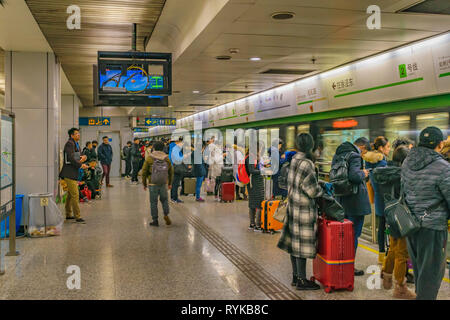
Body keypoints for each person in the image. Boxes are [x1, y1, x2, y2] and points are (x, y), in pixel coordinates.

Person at [401, 126, 449, 300]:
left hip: (411, 225)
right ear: (440, 144)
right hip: (433, 227)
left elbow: (403, 191)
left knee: (421, 269)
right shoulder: (443, 167)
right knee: (432, 274)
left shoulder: (407, 161)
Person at [277, 133, 323, 290]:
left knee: (294, 243)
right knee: (302, 244)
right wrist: (322, 191)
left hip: (293, 205)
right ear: (310, 145)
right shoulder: (306, 163)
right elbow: (312, 190)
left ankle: (296, 277)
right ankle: (302, 280)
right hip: (303, 208)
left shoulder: (295, 159)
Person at [373, 145, 415, 299]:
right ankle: (400, 287)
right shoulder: (402, 175)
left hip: (390, 214)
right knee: (402, 252)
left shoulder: (386, 172)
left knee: (393, 247)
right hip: (402, 215)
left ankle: (386, 274)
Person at [332, 137, 371, 276]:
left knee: (342, 235)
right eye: (364, 151)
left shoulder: (338, 155)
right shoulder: (355, 155)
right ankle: (349, 265)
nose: (363, 155)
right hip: (355, 201)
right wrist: (364, 173)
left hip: (341, 199)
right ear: (361, 147)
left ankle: (339, 262)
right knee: (353, 234)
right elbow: (354, 176)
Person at [363, 136, 391, 265]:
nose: (389, 150)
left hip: (378, 199)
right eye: (388, 147)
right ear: (381, 148)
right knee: (389, 228)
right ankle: (388, 254)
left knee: (381, 227)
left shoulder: (369, 163)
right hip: (387, 199)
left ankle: (381, 254)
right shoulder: (383, 164)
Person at [59, 128, 88, 223]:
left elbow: (79, 154)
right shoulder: (69, 144)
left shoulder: (75, 144)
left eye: (79, 133)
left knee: (70, 195)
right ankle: (78, 216)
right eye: (76, 134)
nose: (78, 135)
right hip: (69, 173)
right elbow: (70, 158)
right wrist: (80, 164)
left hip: (73, 173)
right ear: (72, 135)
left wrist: (84, 157)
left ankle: (68, 214)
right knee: (75, 194)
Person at [142, 141, 174, 227]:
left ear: (154, 148)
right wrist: (170, 183)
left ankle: (155, 220)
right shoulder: (166, 158)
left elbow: (144, 172)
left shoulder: (149, 158)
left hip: (153, 183)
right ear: (163, 148)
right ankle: (166, 214)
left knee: (153, 202)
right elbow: (171, 171)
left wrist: (144, 184)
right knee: (164, 200)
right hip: (163, 183)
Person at [245, 141, 265, 232]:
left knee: (253, 204)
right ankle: (257, 225)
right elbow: (252, 170)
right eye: (260, 148)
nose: (261, 150)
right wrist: (262, 171)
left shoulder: (254, 157)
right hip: (254, 183)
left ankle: (252, 224)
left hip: (255, 182)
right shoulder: (250, 158)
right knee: (258, 203)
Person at [204, 136, 224, 202]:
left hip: (218, 168)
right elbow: (216, 160)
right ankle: (217, 196)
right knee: (218, 183)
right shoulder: (214, 150)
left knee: (218, 183)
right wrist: (222, 156)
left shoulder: (216, 149)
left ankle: (219, 196)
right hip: (217, 169)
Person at [170, 137, 186, 203]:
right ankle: (174, 198)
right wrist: (184, 157)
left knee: (175, 183)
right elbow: (178, 159)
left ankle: (174, 197)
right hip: (176, 167)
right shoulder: (175, 148)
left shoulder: (173, 147)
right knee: (175, 183)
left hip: (174, 167)